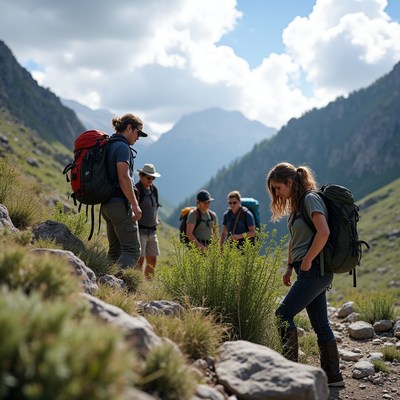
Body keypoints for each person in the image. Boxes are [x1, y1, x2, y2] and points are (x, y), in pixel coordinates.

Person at [266, 162, 345, 387]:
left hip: (315, 270)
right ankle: (333, 377)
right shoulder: (298, 204)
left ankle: (291, 374)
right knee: (321, 325)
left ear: (290, 182)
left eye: (277, 187)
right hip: (308, 270)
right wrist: (290, 266)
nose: (276, 193)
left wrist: (308, 260)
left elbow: (324, 231)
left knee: (282, 315)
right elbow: (296, 239)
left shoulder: (310, 199)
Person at [101, 113, 147, 269]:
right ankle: (115, 287)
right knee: (132, 251)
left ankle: (103, 282)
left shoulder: (109, 144)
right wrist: (134, 205)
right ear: (129, 128)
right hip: (119, 205)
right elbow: (124, 177)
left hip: (107, 205)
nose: (138, 138)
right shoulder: (122, 147)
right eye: (138, 133)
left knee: (115, 251)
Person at [135, 163, 161, 279]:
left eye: (153, 178)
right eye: (149, 177)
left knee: (153, 260)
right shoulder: (137, 189)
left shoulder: (154, 189)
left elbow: (156, 206)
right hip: (140, 230)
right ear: (141, 176)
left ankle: (148, 285)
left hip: (152, 231)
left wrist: (156, 218)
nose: (151, 180)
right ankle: (137, 284)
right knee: (139, 260)